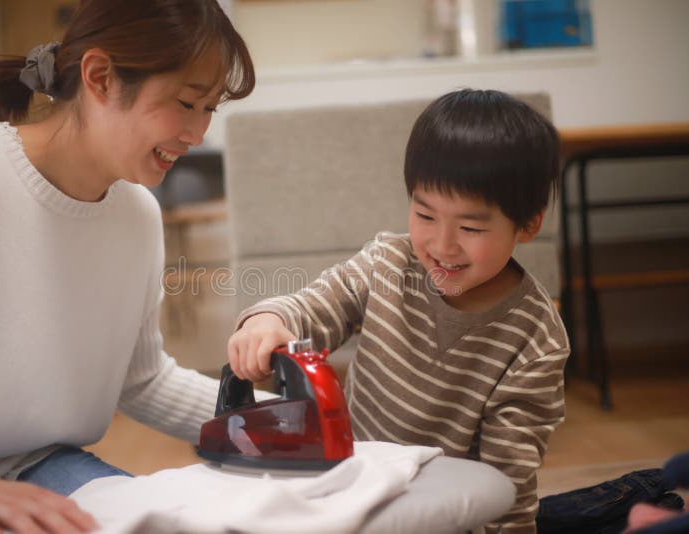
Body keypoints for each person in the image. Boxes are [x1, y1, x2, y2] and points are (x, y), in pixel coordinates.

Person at [0, 0, 254, 532]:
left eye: (209, 108)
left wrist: (266, 417)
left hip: (45, 465)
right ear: (100, 77)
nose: (197, 133)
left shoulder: (137, 214)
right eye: (187, 103)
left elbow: (140, 381)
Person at [228, 89, 569, 533]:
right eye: (425, 216)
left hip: (442, 514)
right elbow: (316, 305)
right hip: (348, 490)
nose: (442, 245)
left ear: (528, 224)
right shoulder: (388, 263)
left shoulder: (535, 340)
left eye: (470, 227)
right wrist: (268, 321)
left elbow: (508, 481)